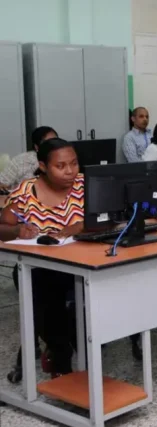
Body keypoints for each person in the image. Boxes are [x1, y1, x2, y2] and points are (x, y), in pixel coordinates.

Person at [0, 138, 84, 377]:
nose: (70, 171)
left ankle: (64, 354)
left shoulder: (84, 185)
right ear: (43, 166)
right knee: (50, 306)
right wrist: (17, 231)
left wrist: (80, 226)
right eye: (61, 166)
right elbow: (2, 227)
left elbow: (109, 216)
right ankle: (62, 362)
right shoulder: (27, 191)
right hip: (37, 268)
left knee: (65, 310)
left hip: (81, 263)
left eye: (74, 163)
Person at [0, 126, 58, 191]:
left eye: (55, 141)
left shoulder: (64, 158)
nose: (53, 145)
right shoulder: (22, 160)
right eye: (47, 143)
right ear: (37, 147)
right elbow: (2, 183)